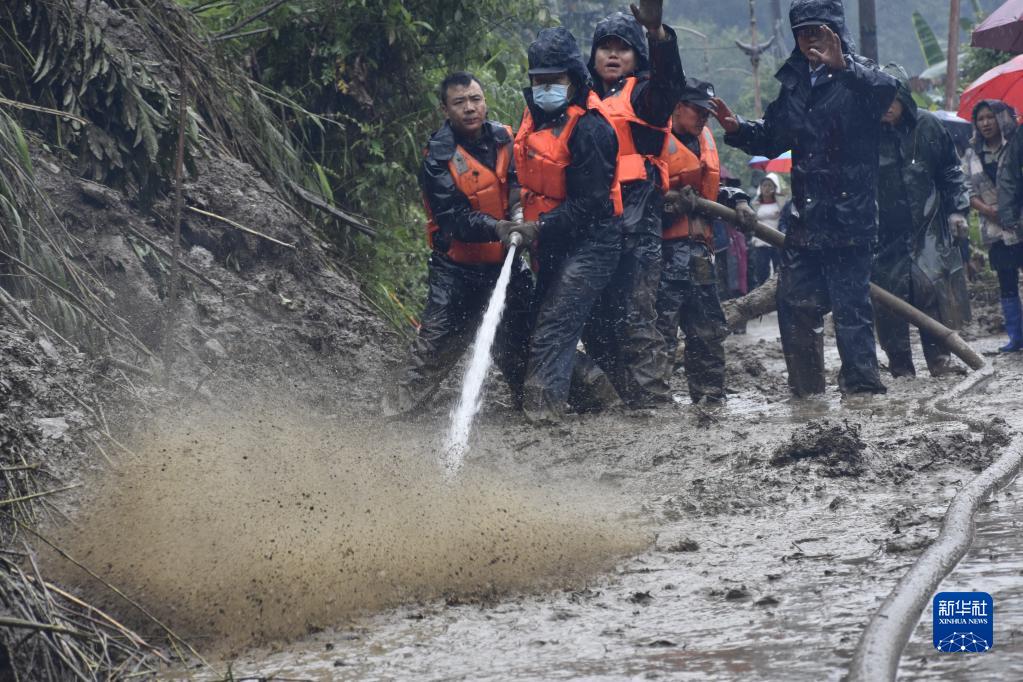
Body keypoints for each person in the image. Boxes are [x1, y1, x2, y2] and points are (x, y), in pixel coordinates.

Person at [713, 0, 897, 397]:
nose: (810, 39)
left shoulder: (862, 76)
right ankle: (807, 395)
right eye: (803, 32)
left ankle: (863, 396)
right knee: (794, 304)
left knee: (851, 314)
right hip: (806, 220)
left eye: (818, 30)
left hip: (850, 218)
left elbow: (888, 93)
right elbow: (773, 136)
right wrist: (737, 127)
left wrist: (844, 68)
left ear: (835, 31)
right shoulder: (795, 84)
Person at [383, 72, 535, 417]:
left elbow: (518, 182)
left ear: (485, 102)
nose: (470, 108)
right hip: (457, 271)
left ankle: (533, 409)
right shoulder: (436, 157)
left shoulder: (506, 139)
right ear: (445, 110)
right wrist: (498, 227)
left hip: (505, 264)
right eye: (460, 102)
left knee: (522, 342)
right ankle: (393, 415)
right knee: (433, 348)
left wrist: (518, 211)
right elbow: (453, 218)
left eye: (475, 99)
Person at [578, 0, 685, 409]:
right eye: (604, 47)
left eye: (622, 47)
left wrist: (658, 36)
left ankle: (654, 404)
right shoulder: (580, 99)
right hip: (591, 231)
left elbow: (670, 83)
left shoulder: (645, 97)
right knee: (598, 320)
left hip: (637, 231)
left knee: (638, 320)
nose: (612, 54)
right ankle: (615, 402)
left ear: (636, 56)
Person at [515, 27, 622, 423]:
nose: (545, 88)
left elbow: (591, 205)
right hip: (554, 238)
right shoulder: (534, 120)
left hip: (593, 242)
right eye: (538, 80)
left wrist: (538, 229)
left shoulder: (591, 128)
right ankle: (603, 398)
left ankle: (542, 415)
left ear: (574, 80)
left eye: (554, 80)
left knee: (555, 324)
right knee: (538, 322)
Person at [652, 79, 756, 403]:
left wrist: (738, 199)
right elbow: (636, 198)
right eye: (697, 111)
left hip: (701, 254)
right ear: (677, 106)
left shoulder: (705, 140)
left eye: (707, 114)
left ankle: (710, 399)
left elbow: (713, 191)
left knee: (708, 331)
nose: (703, 119)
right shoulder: (654, 140)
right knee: (661, 333)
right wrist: (669, 204)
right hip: (664, 255)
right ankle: (654, 403)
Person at [872, 64, 971, 377]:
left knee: (933, 290)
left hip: (928, 225)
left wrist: (957, 210)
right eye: (880, 98)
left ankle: (940, 358)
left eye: (893, 97)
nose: (886, 105)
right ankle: (900, 364)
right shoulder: (866, 135)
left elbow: (951, 172)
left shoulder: (928, 127)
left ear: (905, 97)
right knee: (888, 301)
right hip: (883, 232)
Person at [967, 100, 1023, 352]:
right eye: (981, 119)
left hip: (1020, 223)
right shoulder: (972, 153)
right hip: (995, 230)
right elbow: (965, 189)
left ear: (1001, 119)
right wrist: (988, 209)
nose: (986, 123)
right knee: (1006, 281)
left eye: (990, 117)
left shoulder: (1015, 147)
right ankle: (1016, 337)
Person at [749, 173, 785, 289]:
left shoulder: (781, 204)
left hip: (777, 241)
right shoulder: (755, 204)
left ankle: (779, 292)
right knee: (761, 270)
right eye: (764, 185)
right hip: (760, 242)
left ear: (775, 188)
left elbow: (785, 220)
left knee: (778, 270)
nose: (767, 188)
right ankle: (762, 292)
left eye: (770, 186)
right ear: (761, 187)